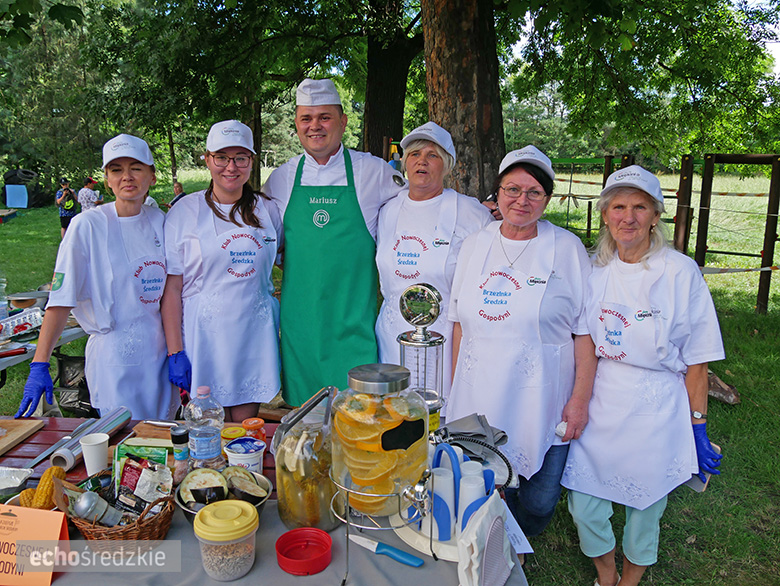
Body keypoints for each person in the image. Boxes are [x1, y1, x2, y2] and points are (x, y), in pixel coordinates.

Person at [561, 166, 724, 586]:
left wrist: (697, 426)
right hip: (602, 399)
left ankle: (628, 582)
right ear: (605, 214)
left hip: (656, 404)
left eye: (639, 207)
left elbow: (698, 360)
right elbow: (583, 341)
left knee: (645, 508)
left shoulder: (680, 273)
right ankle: (606, 572)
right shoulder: (594, 272)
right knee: (585, 505)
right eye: (618, 206)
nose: (627, 217)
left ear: (656, 216)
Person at [447, 145, 596, 537]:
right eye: (512, 189)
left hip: (542, 392)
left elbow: (584, 333)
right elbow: (458, 321)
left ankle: (524, 532)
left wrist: (578, 401)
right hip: (480, 389)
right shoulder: (475, 244)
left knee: (539, 499)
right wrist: (455, 386)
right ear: (497, 192)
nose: (522, 200)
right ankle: (494, 538)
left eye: (534, 192)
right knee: (481, 480)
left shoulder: (567, 249)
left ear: (547, 198)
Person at [262, 78, 404, 406]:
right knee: (305, 426)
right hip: (301, 329)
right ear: (296, 124)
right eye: (306, 119)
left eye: (325, 117)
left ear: (342, 121)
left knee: (357, 420)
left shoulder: (374, 172)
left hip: (354, 325)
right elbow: (262, 238)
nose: (315, 126)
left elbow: (418, 207)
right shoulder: (281, 179)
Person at [16, 135, 176, 420]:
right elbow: (61, 299)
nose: (127, 176)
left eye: (136, 168)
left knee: (161, 438)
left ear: (151, 175)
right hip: (114, 359)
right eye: (116, 169)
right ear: (106, 179)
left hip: (159, 354)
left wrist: (177, 352)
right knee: (126, 446)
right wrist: (40, 363)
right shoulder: (86, 226)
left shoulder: (160, 221)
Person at [161, 120, 283, 422]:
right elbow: (172, 289)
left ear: (251, 161)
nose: (231, 167)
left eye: (240, 158)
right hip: (205, 339)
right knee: (208, 435)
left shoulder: (267, 210)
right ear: (207, 159)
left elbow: (286, 261)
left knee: (244, 432)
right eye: (222, 157)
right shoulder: (184, 212)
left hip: (254, 337)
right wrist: (175, 352)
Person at [375, 122, 492, 401]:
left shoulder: (472, 213)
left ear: (447, 165)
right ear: (404, 163)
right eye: (414, 154)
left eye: (432, 155)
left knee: (438, 416)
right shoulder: (387, 211)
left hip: (446, 340)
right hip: (392, 335)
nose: (422, 162)